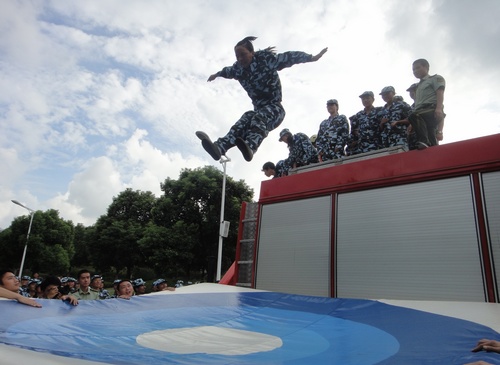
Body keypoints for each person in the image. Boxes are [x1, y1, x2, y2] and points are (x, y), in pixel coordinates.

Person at [196, 36, 328, 162]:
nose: (240, 59)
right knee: (245, 119)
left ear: (252, 52)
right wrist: (216, 74)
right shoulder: (238, 69)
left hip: (275, 109)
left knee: (259, 118)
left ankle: (251, 146)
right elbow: (227, 71)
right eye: (237, 56)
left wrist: (311, 57)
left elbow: (289, 57)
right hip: (259, 109)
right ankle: (219, 148)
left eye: (243, 54)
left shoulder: (266, 59)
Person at [408, 58, 445, 149]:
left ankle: (424, 141)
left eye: (417, 68)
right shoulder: (418, 86)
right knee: (430, 133)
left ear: (426, 67)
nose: (415, 71)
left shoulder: (435, 78)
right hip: (421, 112)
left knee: (413, 115)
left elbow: (439, 92)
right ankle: (433, 148)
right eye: (413, 69)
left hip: (430, 109)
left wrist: (439, 108)